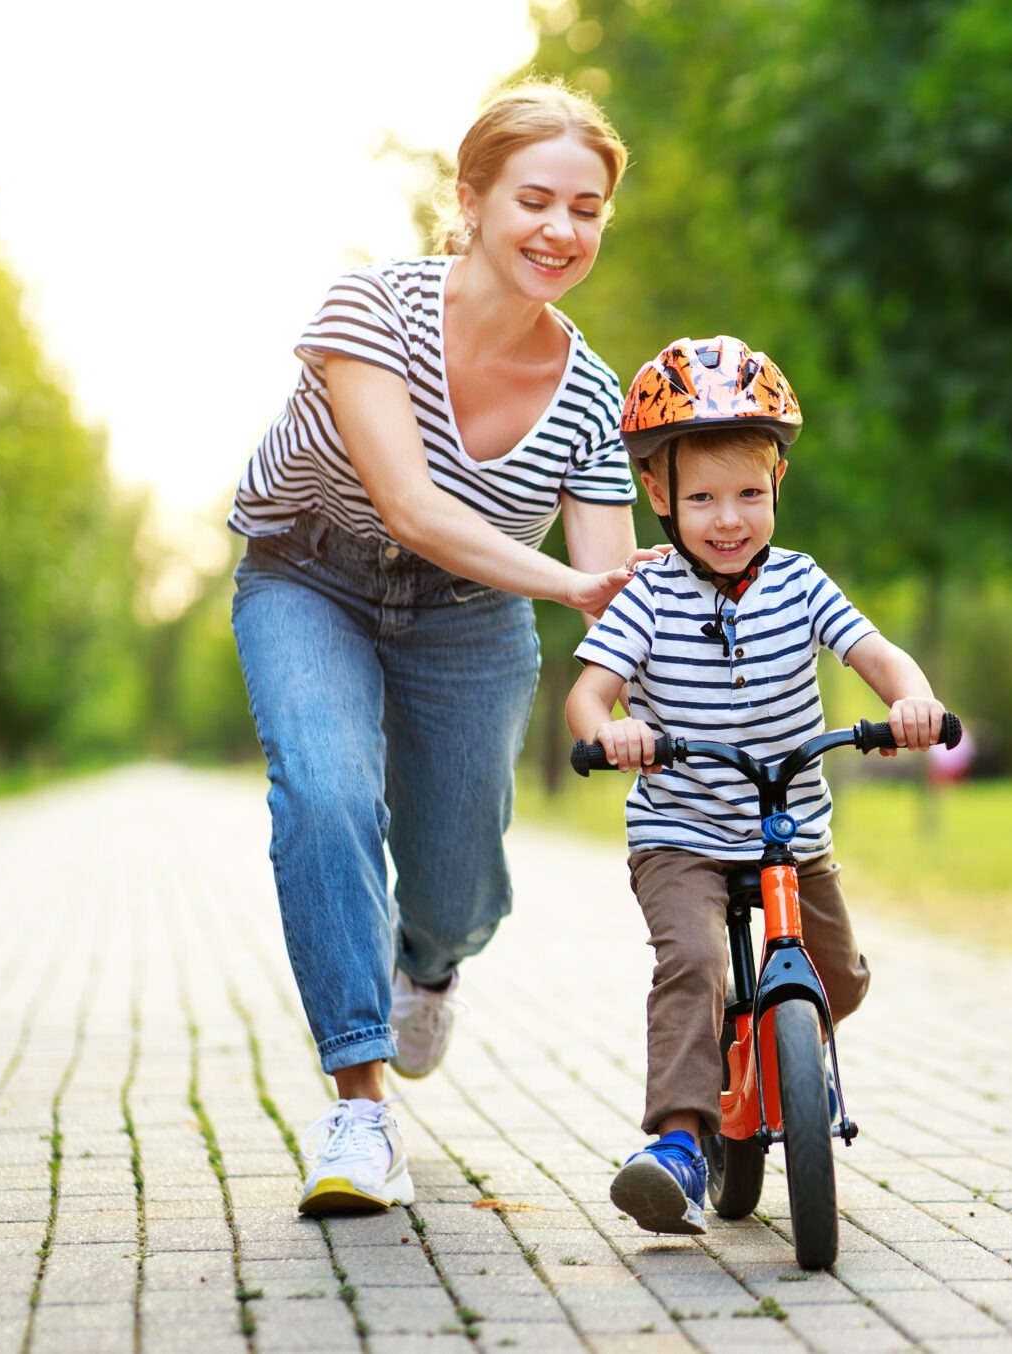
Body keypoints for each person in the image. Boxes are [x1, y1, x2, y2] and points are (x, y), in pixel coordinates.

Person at [229, 80, 659, 1216]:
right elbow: (412, 506)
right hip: (306, 575)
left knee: (457, 876)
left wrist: (640, 690)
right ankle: (359, 1108)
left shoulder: (591, 397)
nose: (560, 231)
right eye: (534, 200)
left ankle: (432, 964)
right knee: (323, 796)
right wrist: (570, 580)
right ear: (468, 200)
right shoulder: (367, 310)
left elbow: (614, 598)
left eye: (586, 209)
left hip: (470, 618)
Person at [565, 336, 947, 1235]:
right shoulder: (648, 597)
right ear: (659, 496)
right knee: (692, 964)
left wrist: (914, 701)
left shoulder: (802, 583)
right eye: (701, 497)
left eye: (747, 493)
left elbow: (876, 654)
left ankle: (778, 1059)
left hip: (790, 831)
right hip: (683, 834)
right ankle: (681, 1145)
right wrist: (612, 732)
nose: (726, 518)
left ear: (778, 480)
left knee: (841, 979)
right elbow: (587, 694)